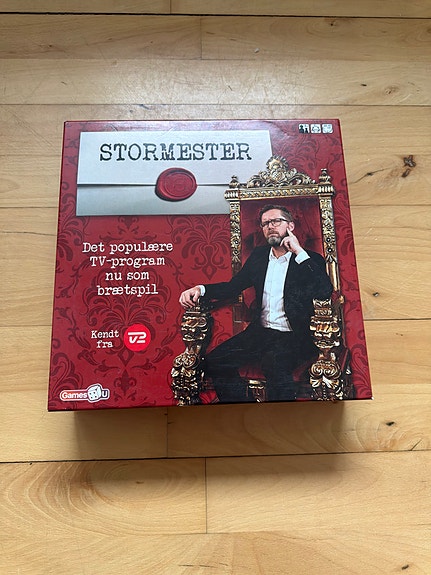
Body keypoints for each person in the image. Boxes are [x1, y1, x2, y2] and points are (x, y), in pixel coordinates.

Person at [179, 204, 333, 402]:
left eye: (276, 221)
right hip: (261, 332)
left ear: (290, 226)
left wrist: (298, 251)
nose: (270, 226)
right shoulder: (259, 257)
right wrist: (200, 289)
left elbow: (324, 290)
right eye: (265, 223)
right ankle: (243, 406)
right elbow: (233, 286)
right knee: (216, 361)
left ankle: (284, 415)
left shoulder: (309, 259)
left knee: (274, 363)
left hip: (296, 336)